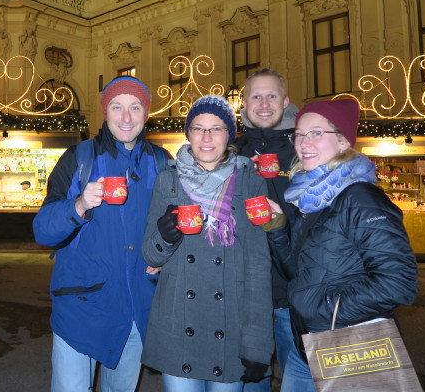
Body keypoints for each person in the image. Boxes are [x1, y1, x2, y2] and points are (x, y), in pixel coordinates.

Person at [266, 99, 418, 391]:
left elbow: (399, 282)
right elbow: (298, 274)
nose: (303, 143)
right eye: (298, 133)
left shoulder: (360, 198)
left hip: (351, 347)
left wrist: (323, 310)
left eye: (316, 133)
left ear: (343, 140)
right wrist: (276, 227)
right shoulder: (309, 199)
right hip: (306, 347)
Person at [33, 76, 169, 392]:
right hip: (81, 305)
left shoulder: (161, 162)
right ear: (105, 113)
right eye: (117, 107)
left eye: (135, 107)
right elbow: (43, 231)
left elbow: (173, 222)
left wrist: (165, 255)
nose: (126, 117)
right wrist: (79, 205)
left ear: (146, 113)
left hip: (136, 307)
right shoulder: (79, 159)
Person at [142, 95, 281, 391]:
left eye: (216, 128)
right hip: (179, 322)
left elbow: (257, 267)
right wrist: (165, 236)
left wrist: (258, 344)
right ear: (188, 133)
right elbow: (150, 255)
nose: (206, 137)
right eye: (198, 128)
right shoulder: (168, 180)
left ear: (229, 135)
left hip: (230, 325)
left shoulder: (248, 181)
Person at [233, 68, 301, 391]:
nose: (263, 103)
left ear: (285, 100)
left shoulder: (305, 148)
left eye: (271, 95)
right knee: (250, 384)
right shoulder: (232, 153)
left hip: (294, 294)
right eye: (255, 97)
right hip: (247, 295)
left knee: (298, 381)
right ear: (244, 104)